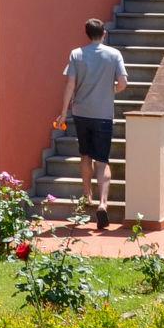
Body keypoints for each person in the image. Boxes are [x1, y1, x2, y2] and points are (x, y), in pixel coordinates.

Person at [57, 17, 127, 228]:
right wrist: (111, 90)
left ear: (87, 33)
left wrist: (62, 113)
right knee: (102, 160)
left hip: (82, 112)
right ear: (104, 33)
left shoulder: (77, 54)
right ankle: (103, 204)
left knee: (85, 155)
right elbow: (123, 82)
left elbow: (70, 84)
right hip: (103, 113)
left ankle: (87, 196)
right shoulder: (114, 54)